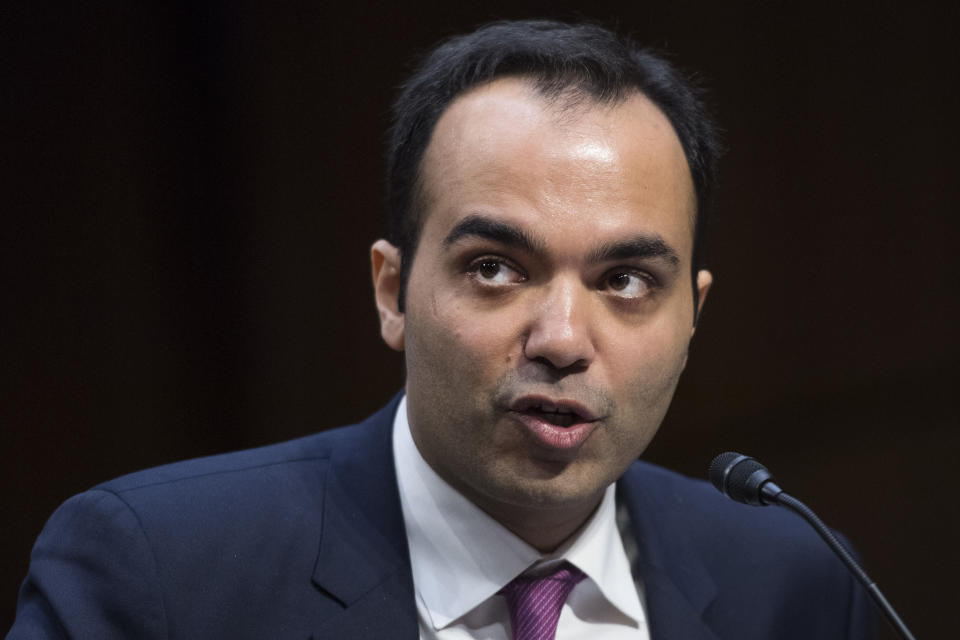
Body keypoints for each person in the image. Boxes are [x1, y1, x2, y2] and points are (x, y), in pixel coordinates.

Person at [8, 20, 874, 640]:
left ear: (695, 317)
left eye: (626, 280)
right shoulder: (160, 573)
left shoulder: (797, 581)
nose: (564, 338)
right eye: (496, 267)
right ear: (392, 291)